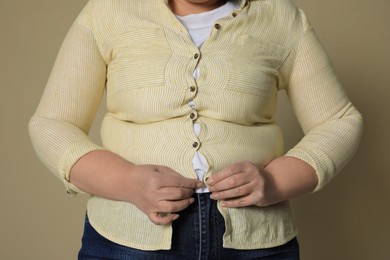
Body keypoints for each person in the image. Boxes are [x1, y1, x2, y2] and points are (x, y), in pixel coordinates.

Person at [29, 0, 363, 259]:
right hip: (126, 238)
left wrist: (275, 181)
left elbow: (339, 120)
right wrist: (127, 182)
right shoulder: (109, 12)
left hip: (256, 241)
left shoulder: (281, 18)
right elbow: (52, 124)